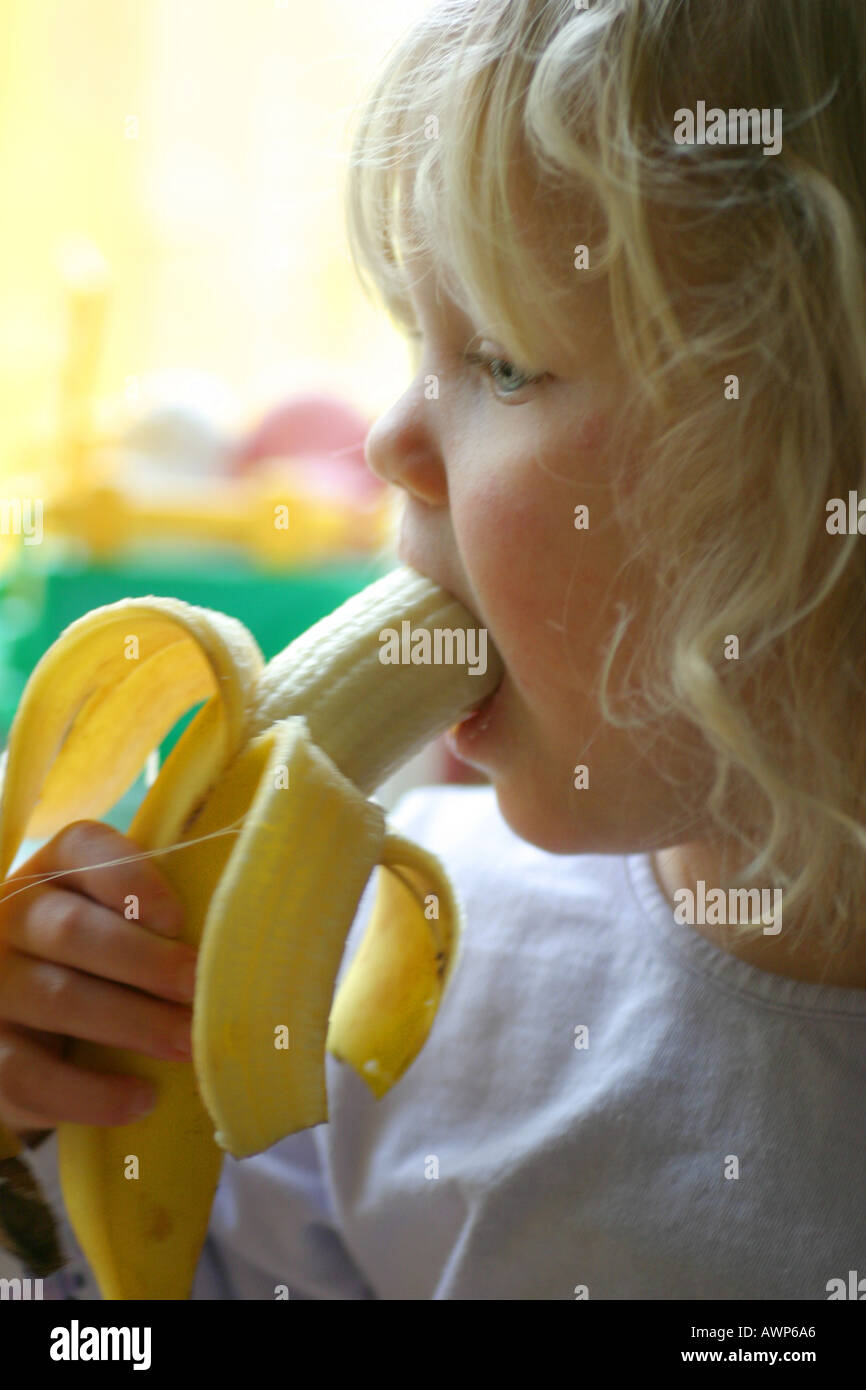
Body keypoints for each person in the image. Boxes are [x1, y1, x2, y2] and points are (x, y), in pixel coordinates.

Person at [2, 0, 866, 1298]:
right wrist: (35, 1135)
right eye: (415, 342)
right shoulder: (366, 988)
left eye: (503, 363)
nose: (389, 442)